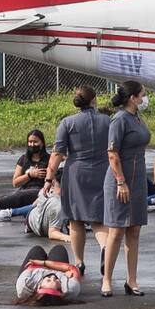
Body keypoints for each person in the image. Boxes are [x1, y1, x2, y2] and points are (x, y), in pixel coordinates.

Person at [44, 86, 110, 273]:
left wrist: (49, 178)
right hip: (102, 172)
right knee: (99, 219)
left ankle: (79, 262)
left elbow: (57, 153)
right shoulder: (106, 121)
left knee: (75, 219)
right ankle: (105, 248)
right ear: (94, 100)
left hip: (76, 174)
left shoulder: (67, 123)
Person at [101, 80, 152, 297]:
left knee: (134, 230)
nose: (144, 99)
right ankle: (106, 280)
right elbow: (112, 154)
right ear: (133, 98)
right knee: (116, 230)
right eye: (142, 95)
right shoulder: (119, 120)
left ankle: (132, 280)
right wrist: (121, 181)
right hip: (120, 181)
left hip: (138, 179)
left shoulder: (137, 118)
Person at [15, 244, 82, 305]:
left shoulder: (25, 284)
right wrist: (62, 270)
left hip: (36, 269)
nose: (53, 277)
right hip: (59, 270)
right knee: (59, 249)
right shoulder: (71, 288)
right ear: (61, 291)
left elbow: (31, 265)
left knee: (37, 249)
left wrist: (43, 263)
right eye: (57, 281)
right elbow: (73, 268)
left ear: (38, 287)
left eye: (48, 280)